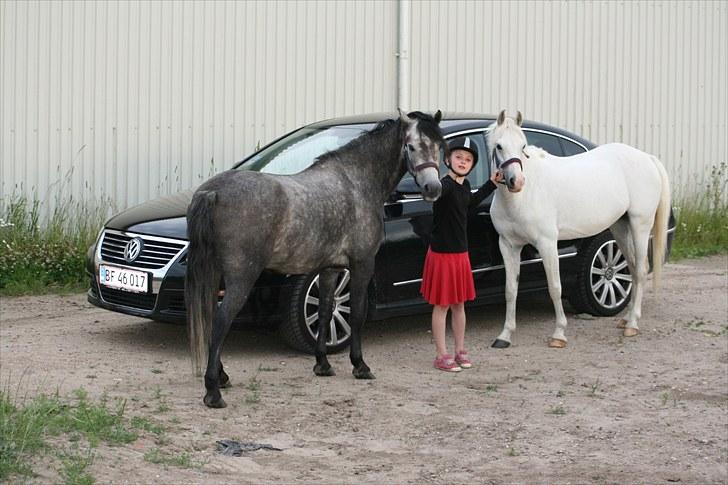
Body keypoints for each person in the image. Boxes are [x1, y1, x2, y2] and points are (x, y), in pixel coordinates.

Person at [420, 136, 502, 372]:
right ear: (447, 159)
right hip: (442, 255)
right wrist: (432, 181)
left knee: (459, 305)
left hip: (460, 255)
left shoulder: (463, 185)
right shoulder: (444, 186)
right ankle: (441, 354)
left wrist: (491, 184)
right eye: (458, 157)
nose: (463, 162)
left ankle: (459, 350)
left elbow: (470, 202)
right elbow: (435, 191)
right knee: (441, 305)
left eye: (468, 159)